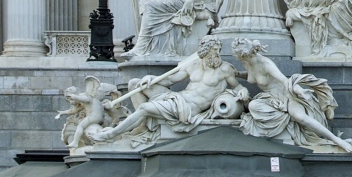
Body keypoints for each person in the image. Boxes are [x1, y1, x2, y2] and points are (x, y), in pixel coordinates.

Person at [96, 37, 243, 141]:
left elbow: (237, 86)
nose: (217, 54)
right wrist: (151, 77)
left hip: (188, 108)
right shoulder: (193, 64)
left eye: (218, 50)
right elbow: (171, 80)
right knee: (135, 83)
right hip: (178, 98)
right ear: (205, 52)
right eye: (214, 50)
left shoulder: (224, 69)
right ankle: (142, 126)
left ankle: (111, 134)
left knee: (144, 108)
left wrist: (243, 91)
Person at [233, 37, 352, 152]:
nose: (236, 58)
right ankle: (281, 124)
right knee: (253, 105)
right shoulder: (246, 62)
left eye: (237, 55)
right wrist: (238, 74)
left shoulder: (266, 64)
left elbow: (285, 81)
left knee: (300, 117)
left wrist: (300, 91)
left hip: (286, 95)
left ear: (245, 55)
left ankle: (336, 140)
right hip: (269, 97)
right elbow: (253, 75)